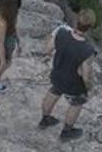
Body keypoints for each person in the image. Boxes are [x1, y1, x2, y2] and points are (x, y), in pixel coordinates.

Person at [38, 9, 98, 141]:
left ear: (76, 21)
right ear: (90, 27)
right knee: (77, 102)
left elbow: (47, 50)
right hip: (73, 83)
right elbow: (86, 74)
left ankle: (45, 119)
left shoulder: (61, 33)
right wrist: (89, 88)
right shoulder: (87, 50)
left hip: (57, 74)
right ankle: (66, 132)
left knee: (53, 92)